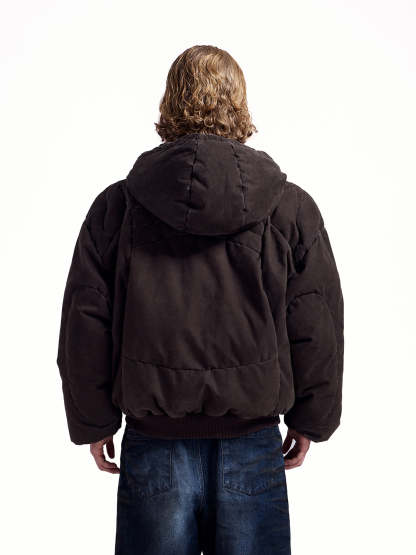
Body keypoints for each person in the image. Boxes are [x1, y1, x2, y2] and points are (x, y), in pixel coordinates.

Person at [56, 44, 344, 555]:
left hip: (154, 443)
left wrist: (93, 420)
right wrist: (311, 418)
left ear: (170, 103)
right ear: (241, 103)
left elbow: (86, 321)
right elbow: (316, 320)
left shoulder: (117, 208)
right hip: (252, 442)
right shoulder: (290, 208)